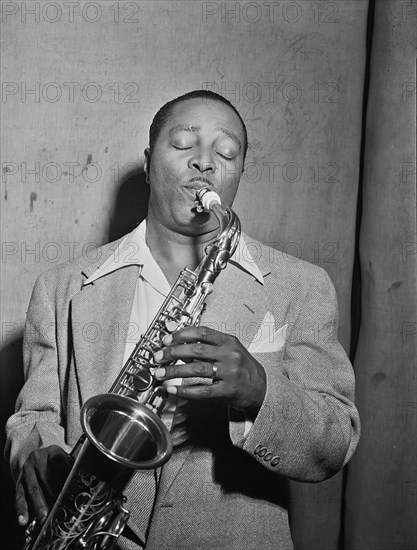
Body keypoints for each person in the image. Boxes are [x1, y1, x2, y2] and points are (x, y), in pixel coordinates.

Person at [5, 90, 360, 550]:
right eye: (183, 144)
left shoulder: (302, 286)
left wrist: (259, 389)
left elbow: (335, 441)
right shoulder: (62, 286)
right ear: (150, 162)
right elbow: (34, 415)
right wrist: (37, 453)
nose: (204, 163)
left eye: (225, 152)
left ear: (238, 174)